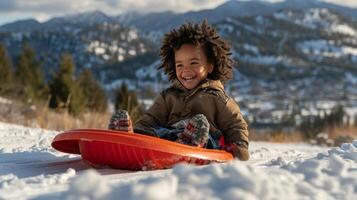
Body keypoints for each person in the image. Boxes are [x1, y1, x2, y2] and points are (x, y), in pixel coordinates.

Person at [108, 20, 250, 161]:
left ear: (210, 66)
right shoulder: (169, 96)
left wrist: (239, 147)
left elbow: (235, 124)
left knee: (207, 136)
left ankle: (193, 141)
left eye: (194, 63)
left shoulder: (217, 98)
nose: (185, 70)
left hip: (205, 144)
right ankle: (125, 137)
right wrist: (139, 132)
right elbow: (150, 120)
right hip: (169, 140)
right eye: (179, 65)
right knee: (157, 132)